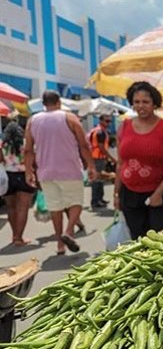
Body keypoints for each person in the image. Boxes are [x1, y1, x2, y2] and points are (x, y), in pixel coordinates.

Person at [24, 90, 97, 255]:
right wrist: (91, 166)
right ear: (58, 102)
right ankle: (69, 231)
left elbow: (28, 150)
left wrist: (28, 171)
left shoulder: (32, 121)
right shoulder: (69, 117)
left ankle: (60, 245)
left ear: (44, 104)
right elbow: (83, 145)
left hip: (46, 172)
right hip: (69, 169)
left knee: (55, 208)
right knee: (76, 202)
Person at [114, 81, 163, 240]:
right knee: (137, 242)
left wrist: (158, 194)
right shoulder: (124, 127)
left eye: (146, 102)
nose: (141, 106)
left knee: (159, 243)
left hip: (160, 196)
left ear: (154, 104)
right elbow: (120, 163)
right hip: (129, 195)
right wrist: (116, 194)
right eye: (136, 102)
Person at [0, 119, 36, 246]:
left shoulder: (2, 144)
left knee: (11, 207)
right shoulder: (26, 143)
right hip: (23, 175)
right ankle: (19, 237)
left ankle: (14, 234)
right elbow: (33, 159)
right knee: (22, 208)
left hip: (7, 177)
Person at [88, 114, 117, 209]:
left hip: (98, 157)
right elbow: (101, 147)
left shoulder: (100, 131)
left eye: (109, 121)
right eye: (106, 121)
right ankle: (95, 201)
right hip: (97, 158)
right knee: (97, 179)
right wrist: (111, 158)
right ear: (101, 121)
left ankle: (100, 198)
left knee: (100, 178)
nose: (108, 123)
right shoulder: (100, 132)